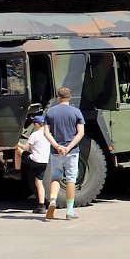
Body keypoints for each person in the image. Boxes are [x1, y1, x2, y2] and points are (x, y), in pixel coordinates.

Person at [43, 87, 86, 220]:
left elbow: (46, 133)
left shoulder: (50, 112)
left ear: (58, 97)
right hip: (72, 152)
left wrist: (57, 146)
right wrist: (68, 147)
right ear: (69, 97)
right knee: (71, 180)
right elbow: (81, 133)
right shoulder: (76, 112)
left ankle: (53, 200)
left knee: (55, 177)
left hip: (56, 152)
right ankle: (70, 210)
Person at [13, 115, 50, 214]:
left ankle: (17, 171)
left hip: (34, 160)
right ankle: (41, 206)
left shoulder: (35, 134)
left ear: (37, 124)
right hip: (45, 162)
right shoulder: (48, 134)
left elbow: (25, 148)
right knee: (39, 183)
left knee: (17, 150)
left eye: (34, 124)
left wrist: (17, 143)